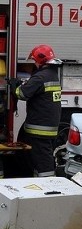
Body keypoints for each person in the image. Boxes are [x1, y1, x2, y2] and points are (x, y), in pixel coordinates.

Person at [11, 44, 62, 177]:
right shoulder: (52, 75)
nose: (34, 63)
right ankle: (38, 182)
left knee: (43, 161)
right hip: (49, 127)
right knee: (39, 160)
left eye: (34, 60)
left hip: (39, 129)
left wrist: (14, 86)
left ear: (40, 60)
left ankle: (49, 185)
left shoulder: (40, 77)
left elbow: (22, 94)